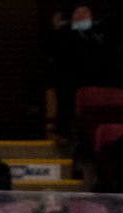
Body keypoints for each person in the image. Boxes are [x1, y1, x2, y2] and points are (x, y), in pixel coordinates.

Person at [47, 4, 111, 136]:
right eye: (78, 13)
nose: (82, 15)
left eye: (85, 12)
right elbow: (53, 51)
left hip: (96, 78)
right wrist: (56, 29)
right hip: (71, 80)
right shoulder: (64, 34)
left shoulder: (99, 33)